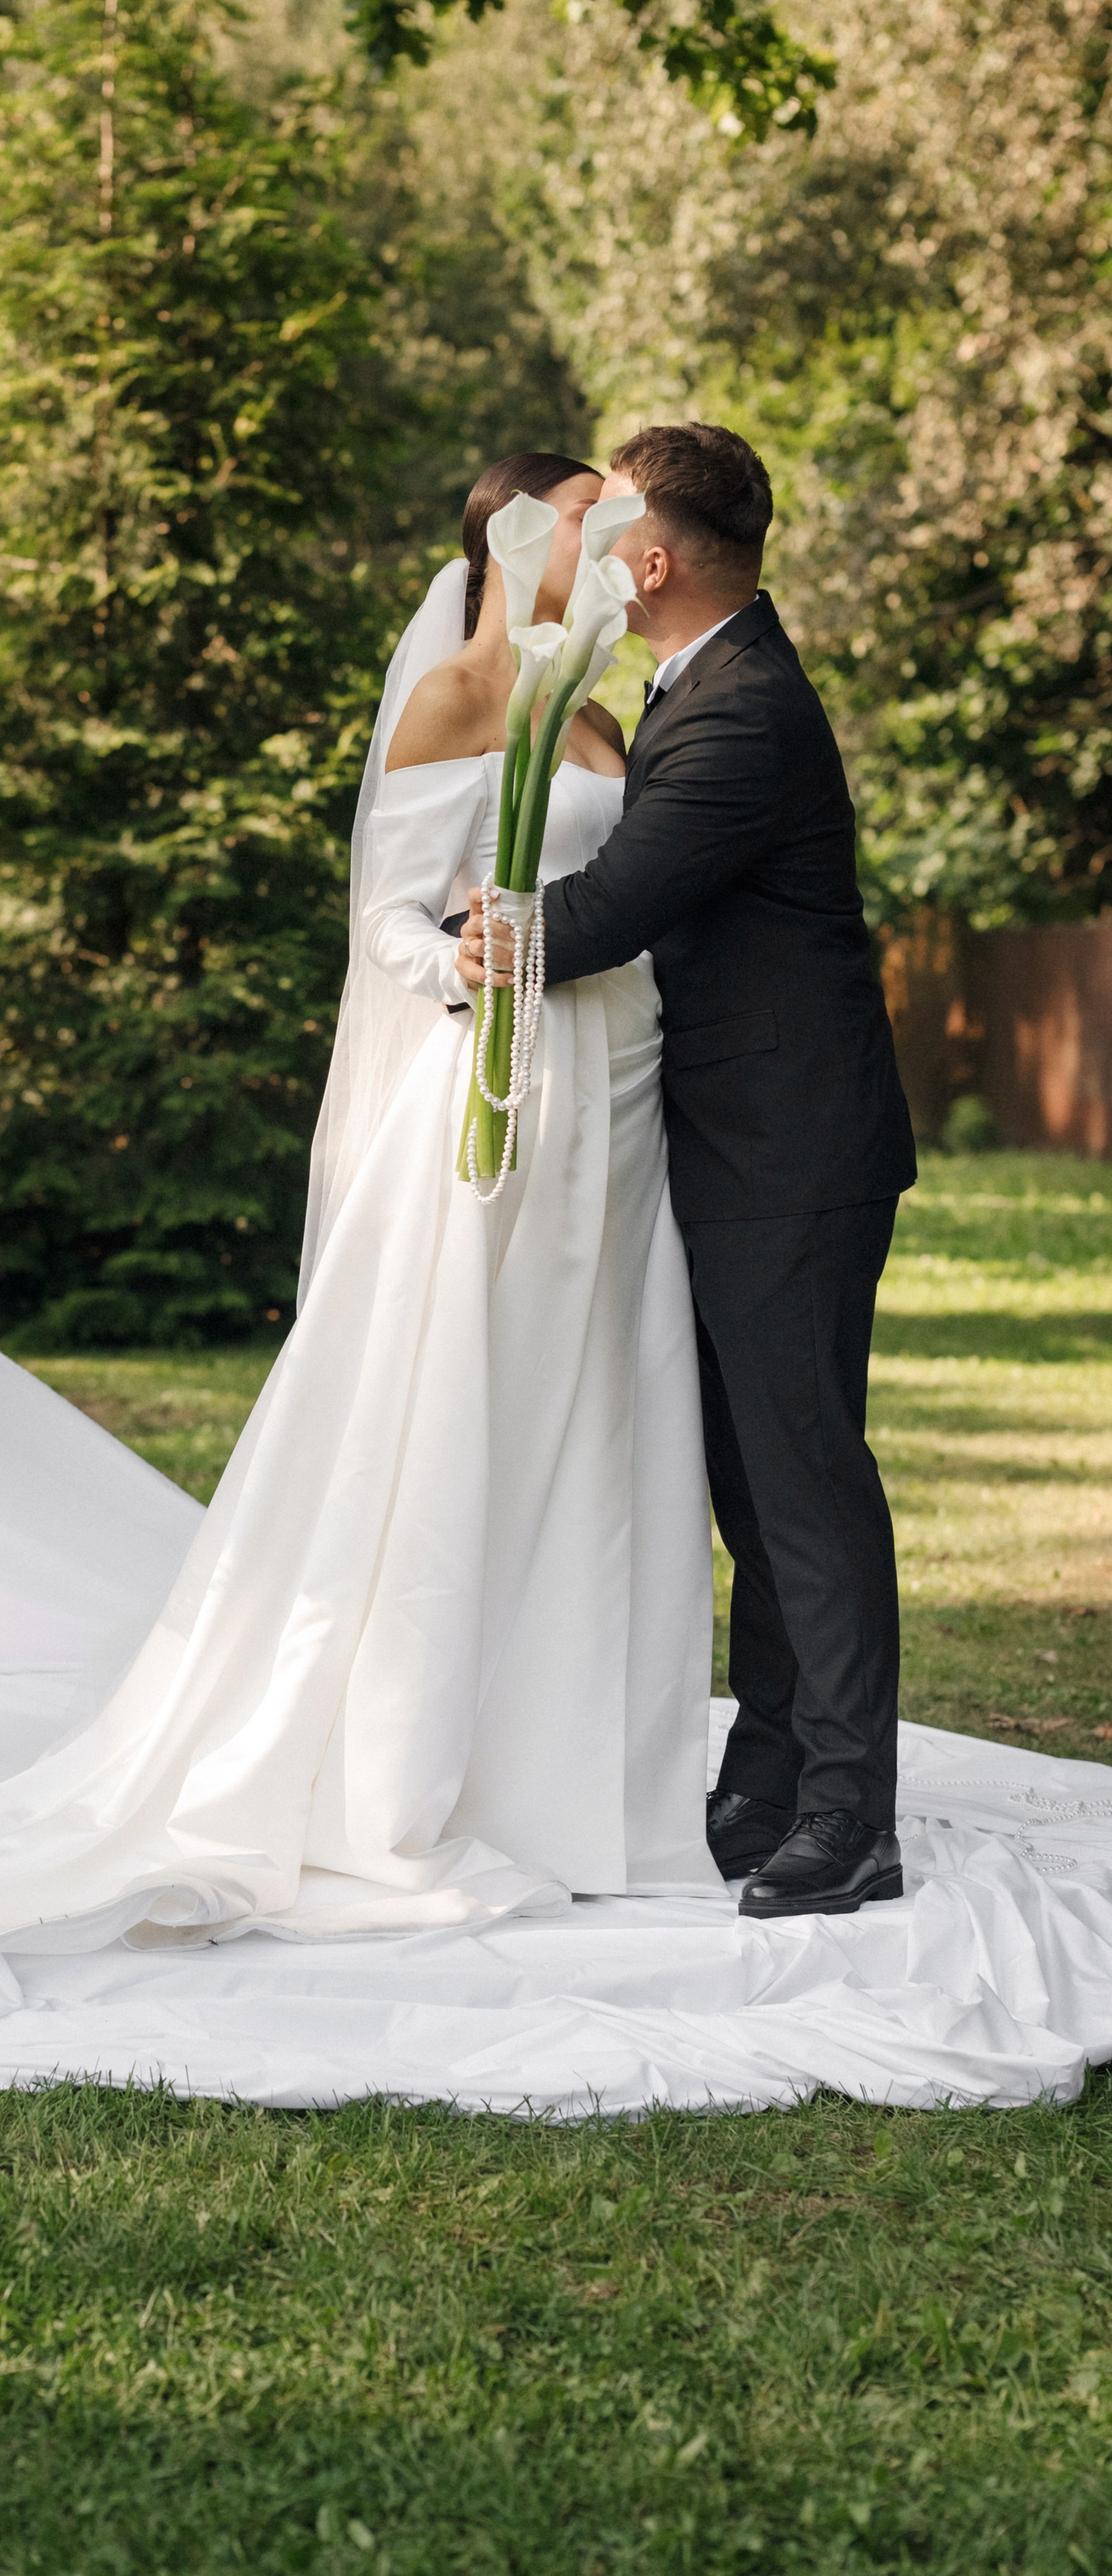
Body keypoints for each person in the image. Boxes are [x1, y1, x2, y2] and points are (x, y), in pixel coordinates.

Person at [0, 450, 724, 1989]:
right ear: (521, 536)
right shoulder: (458, 701)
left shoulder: (592, 708)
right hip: (495, 1093)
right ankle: (409, 1772)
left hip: (616, 1104)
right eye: (593, 511)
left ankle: (582, 1786)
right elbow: (388, 921)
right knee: (459, 1415)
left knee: (590, 1417)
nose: (620, 535)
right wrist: (468, 975)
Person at [460, 423, 916, 1920]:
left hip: (788, 1151)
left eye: (607, 535)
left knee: (799, 1483)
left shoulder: (736, 714)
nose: (584, 555)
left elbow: (605, 914)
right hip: (741, 1145)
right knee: (752, 1482)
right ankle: (772, 1772)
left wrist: (469, 941)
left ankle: (849, 1815)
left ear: (647, 562)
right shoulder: (697, 683)